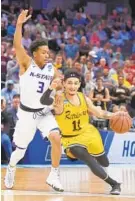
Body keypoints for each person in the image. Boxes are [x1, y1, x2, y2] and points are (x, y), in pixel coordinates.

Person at [4, 10, 64, 192]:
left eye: (48, 52)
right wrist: (19, 24)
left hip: (43, 112)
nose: (48, 55)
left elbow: (58, 85)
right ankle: (11, 167)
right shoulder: (26, 63)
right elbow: (16, 45)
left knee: (56, 137)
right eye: (44, 52)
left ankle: (54, 175)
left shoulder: (51, 69)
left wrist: (59, 92)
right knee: (19, 151)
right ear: (35, 53)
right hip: (26, 114)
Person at [40, 69, 122, 195]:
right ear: (64, 84)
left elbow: (99, 113)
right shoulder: (59, 99)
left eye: (75, 83)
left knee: (104, 162)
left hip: (89, 134)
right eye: (69, 83)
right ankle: (114, 184)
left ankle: (85, 153)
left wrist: (115, 115)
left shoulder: (84, 98)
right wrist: (51, 87)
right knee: (86, 157)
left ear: (79, 85)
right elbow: (44, 101)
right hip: (70, 138)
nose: (72, 86)